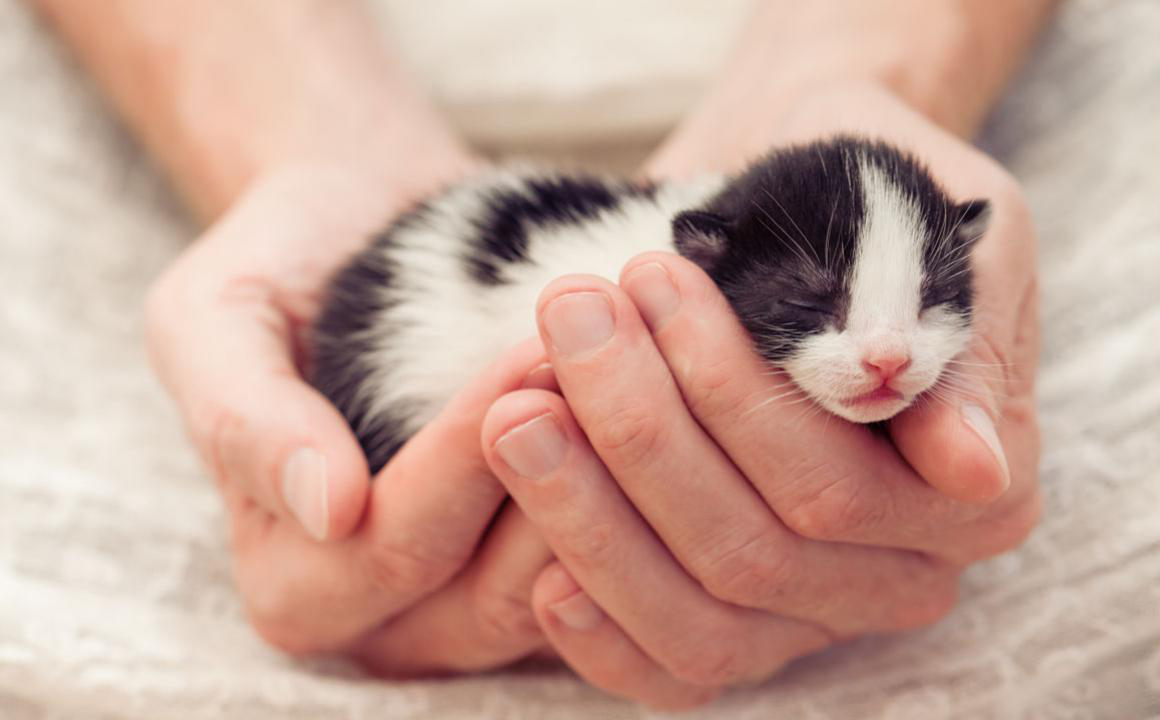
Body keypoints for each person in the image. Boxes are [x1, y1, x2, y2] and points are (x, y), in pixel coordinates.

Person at [34, 0, 1052, 709]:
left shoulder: (749, 264)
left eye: (925, 305)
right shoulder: (648, 278)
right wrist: (302, 146)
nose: (886, 358)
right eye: (821, 304)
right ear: (704, 257)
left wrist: (868, 73)